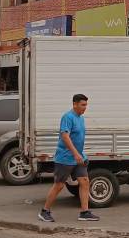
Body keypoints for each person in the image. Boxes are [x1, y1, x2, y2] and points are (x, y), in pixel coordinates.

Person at [39, 94, 99, 222]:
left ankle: (84, 212)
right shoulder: (67, 117)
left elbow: (78, 139)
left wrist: (81, 155)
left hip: (78, 158)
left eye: (86, 105)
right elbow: (65, 136)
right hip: (65, 157)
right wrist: (76, 153)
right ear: (75, 104)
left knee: (84, 181)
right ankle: (45, 211)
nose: (85, 108)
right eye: (83, 105)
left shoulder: (81, 118)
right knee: (59, 185)